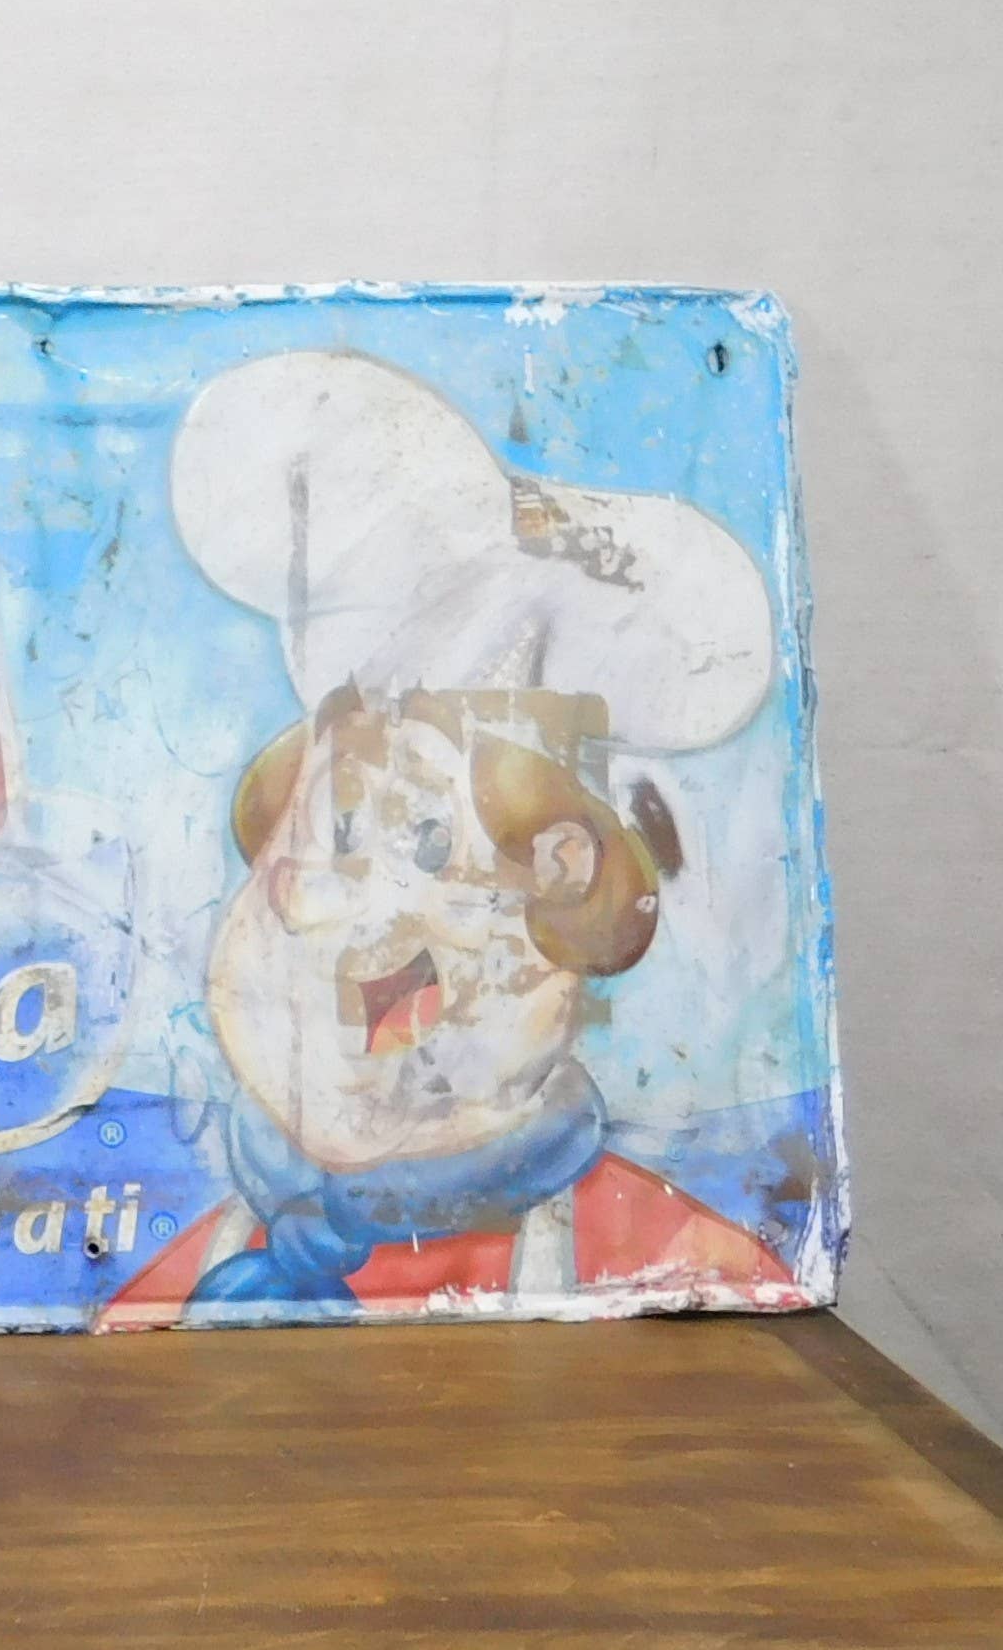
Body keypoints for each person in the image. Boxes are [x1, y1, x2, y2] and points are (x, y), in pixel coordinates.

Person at [101, 351, 805, 1325]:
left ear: (561, 898)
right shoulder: (178, 1281)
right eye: (326, 833)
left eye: (427, 846)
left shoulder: (677, 1271)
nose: (315, 900)